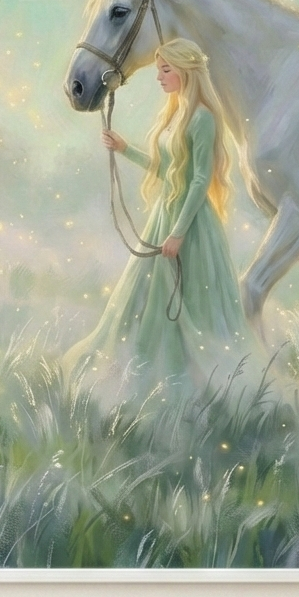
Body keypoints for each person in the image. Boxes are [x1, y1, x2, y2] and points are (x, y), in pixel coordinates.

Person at [66, 37, 247, 383]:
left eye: (166, 70)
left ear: (185, 72)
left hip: (190, 223)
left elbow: (199, 180)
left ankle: (192, 379)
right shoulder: (176, 114)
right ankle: (145, 372)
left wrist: (178, 233)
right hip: (165, 214)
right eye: (159, 70)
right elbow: (169, 171)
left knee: (189, 300)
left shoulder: (202, 118)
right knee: (147, 297)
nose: (159, 77)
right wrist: (125, 149)